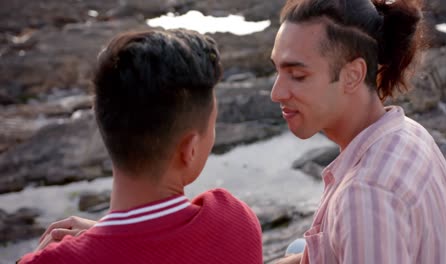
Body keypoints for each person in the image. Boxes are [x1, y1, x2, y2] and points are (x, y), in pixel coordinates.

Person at [17, 29, 263, 264]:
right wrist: (114, 232)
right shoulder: (234, 222)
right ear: (190, 148)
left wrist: (104, 234)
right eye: (212, 126)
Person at [271, 0, 446, 263]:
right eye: (276, 70)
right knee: (297, 250)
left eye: (298, 75)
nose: (275, 93)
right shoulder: (409, 132)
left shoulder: (365, 196)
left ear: (353, 75)